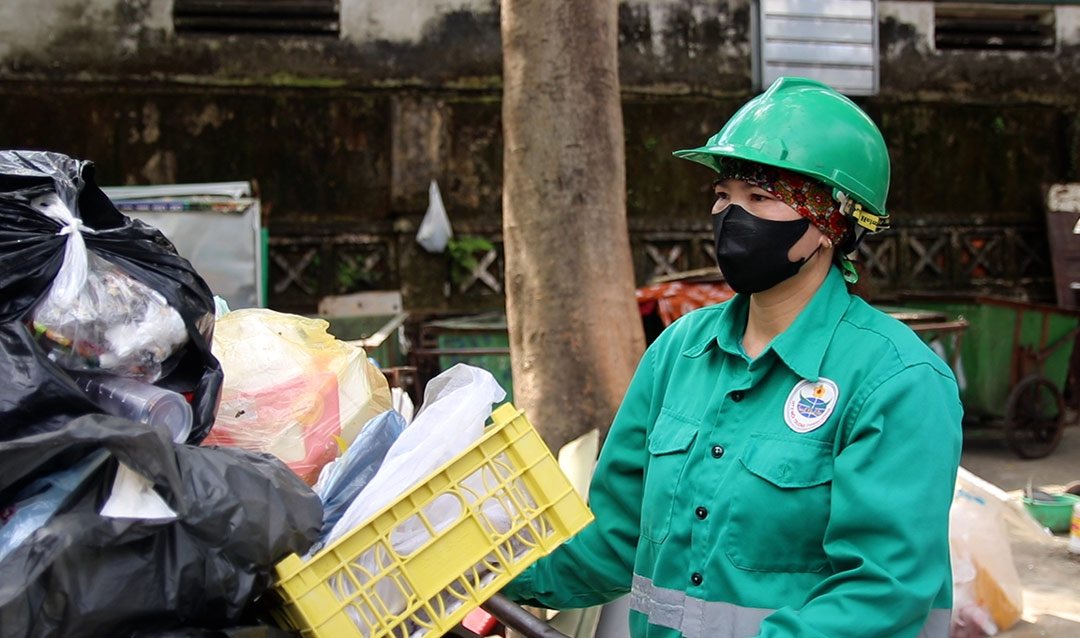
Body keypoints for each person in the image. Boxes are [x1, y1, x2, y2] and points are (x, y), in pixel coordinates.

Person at [500, 76, 964, 638]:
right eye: (723, 195)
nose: (729, 216)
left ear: (826, 224)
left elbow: (881, 592)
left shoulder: (897, 380)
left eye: (760, 198)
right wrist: (488, 571)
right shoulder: (678, 351)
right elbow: (616, 537)